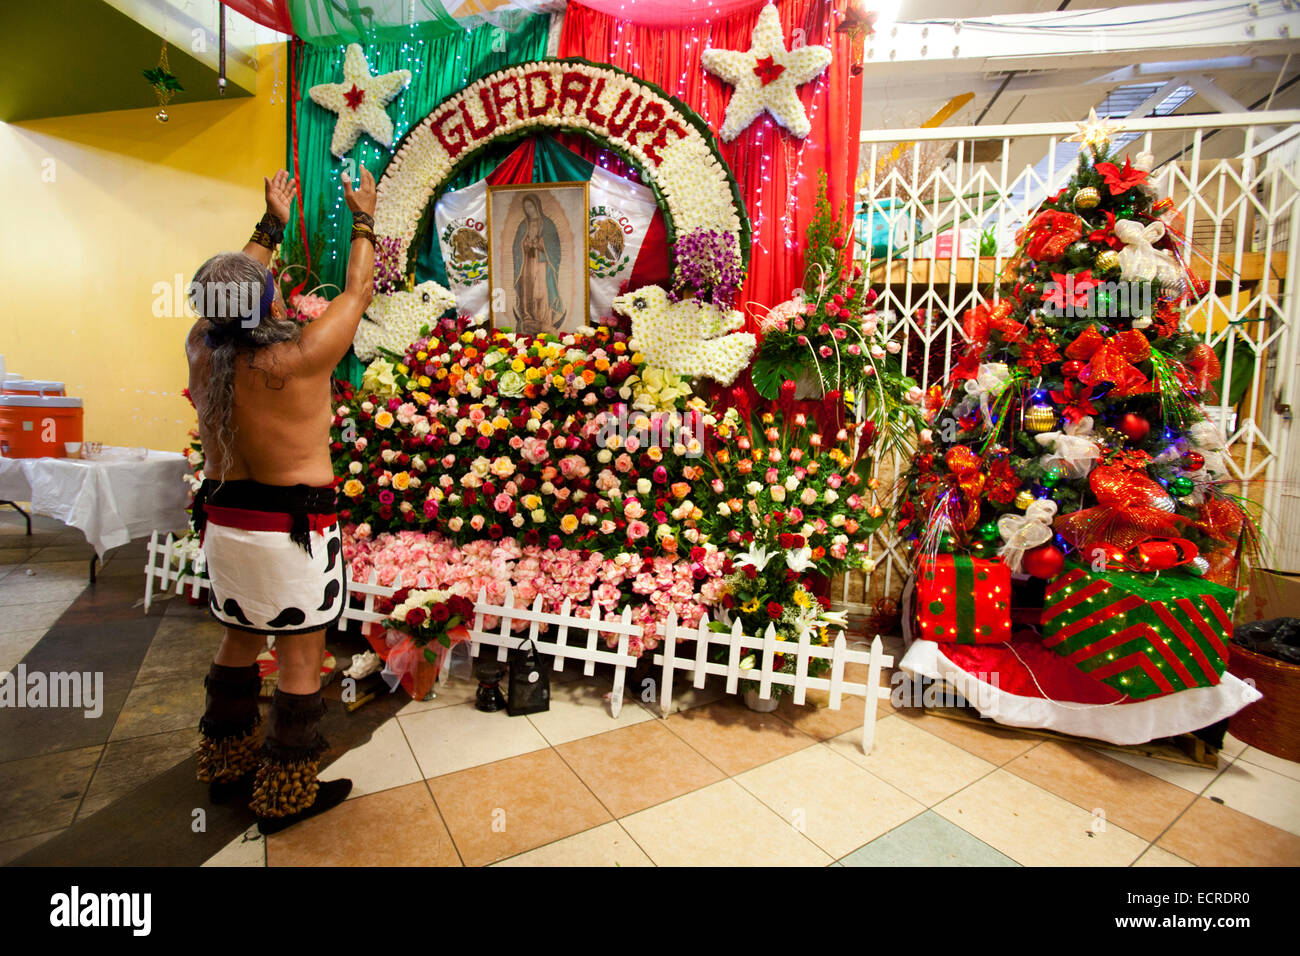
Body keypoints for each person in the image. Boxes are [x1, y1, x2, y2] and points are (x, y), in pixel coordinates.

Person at [185, 167, 376, 834]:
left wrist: (270, 223)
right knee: (300, 658)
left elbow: (233, 290)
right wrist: (363, 216)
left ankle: (226, 765)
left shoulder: (199, 353)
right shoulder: (300, 355)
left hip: (227, 528)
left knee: (239, 642)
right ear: (265, 297)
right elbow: (358, 289)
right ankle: (285, 793)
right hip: (292, 532)